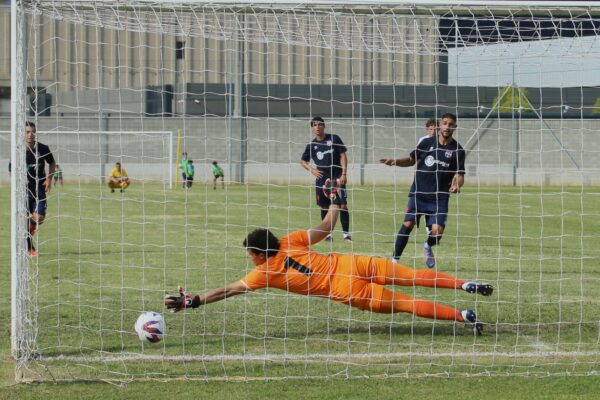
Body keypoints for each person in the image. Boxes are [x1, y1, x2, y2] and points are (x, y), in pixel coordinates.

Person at [164, 199, 492, 335]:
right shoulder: (289, 240)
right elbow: (326, 228)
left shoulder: (263, 273)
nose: (248, 258)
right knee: (414, 276)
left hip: (347, 289)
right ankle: (464, 283)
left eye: (250, 253)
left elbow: (227, 290)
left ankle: (462, 316)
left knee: (406, 304)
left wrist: (191, 301)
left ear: (260, 254)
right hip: (354, 263)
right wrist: (335, 202)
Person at [380, 113, 465, 269]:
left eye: (451, 124)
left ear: (455, 127)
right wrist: (395, 162)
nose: (447, 126)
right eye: (445, 123)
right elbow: (411, 159)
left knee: (437, 232)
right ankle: (394, 262)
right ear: (440, 124)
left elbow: (460, 175)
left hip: (439, 197)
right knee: (408, 223)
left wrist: (457, 185)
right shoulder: (426, 143)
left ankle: (427, 245)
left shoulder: (458, 150)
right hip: (418, 193)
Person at [300, 116, 352, 243]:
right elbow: (302, 161)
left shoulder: (334, 138)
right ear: (312, 128)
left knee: (343, 205)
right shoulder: (312, 145)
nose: (317, 127)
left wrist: (344, 173)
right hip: (321, 179)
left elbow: (343, 155)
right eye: (315, 125)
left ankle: (346, 235)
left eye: (320, 124)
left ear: (324, 126)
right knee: (324, 207)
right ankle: (327, 235)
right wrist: (312, 169)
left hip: (337, 177)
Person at [25, 121, 56, 257]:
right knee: (25, 219)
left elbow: (52, 163)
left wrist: (49, 179)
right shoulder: (18, 150)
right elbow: (11, 169)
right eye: (27, 132)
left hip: (39, 188)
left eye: (32, 131)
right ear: (23, 134)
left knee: (39, 217)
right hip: (24, 189)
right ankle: (29, 248)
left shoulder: (43, 148)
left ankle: (29, 228)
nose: (30, 134)